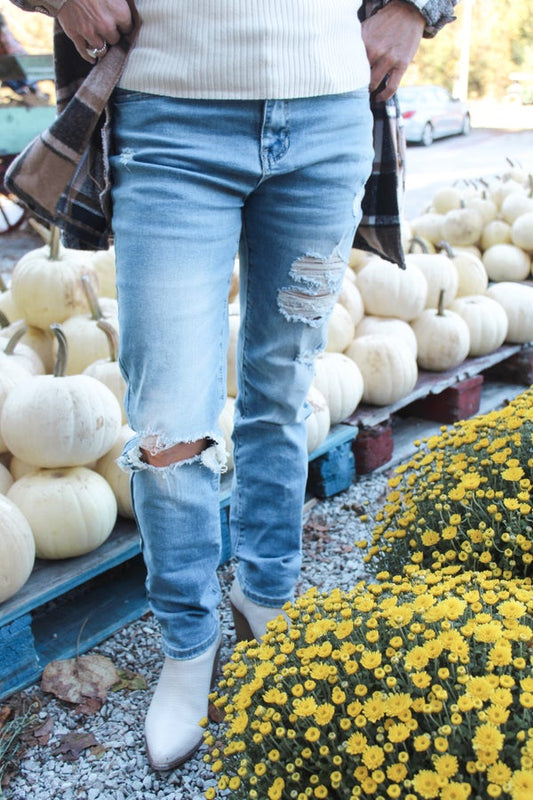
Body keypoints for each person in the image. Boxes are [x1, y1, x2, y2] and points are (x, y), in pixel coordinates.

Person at [8, 0, 458, 772]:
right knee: (169, 425)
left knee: (279, 391)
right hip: (172, 117)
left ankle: (267, 596)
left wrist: (418, 7)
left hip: (328, 115)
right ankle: (189, 644)